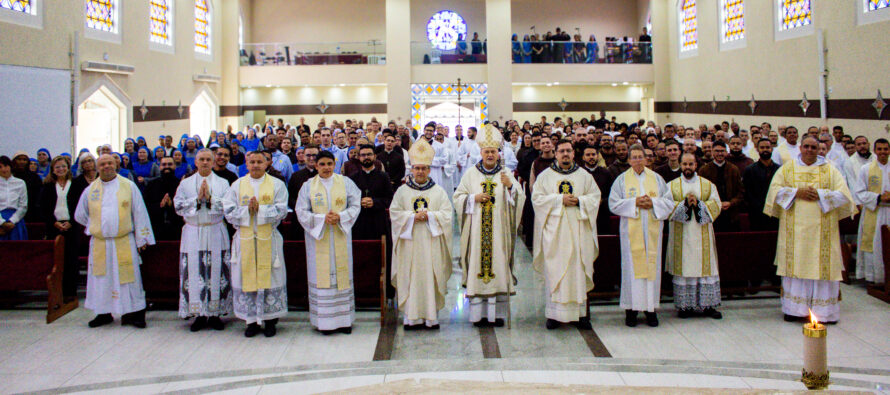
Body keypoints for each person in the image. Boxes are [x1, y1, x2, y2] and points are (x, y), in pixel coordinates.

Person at [764, 136, 856, 324]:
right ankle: (795, 310)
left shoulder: (830, 170)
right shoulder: (788, 169)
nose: (809, 150)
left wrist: (820, 195)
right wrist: (797, 192)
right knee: (796, 266)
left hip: (823, 232)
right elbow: (774, 191)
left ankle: (824, 313)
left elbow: (844, 195)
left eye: (813, 147)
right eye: (806, 146)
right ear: (800, 147)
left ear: (819, 149)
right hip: (794, 233)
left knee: (822, 267)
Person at [453, 125, 524, 327]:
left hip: (499, 231)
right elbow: (457, 197)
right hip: (477, 231)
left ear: (498, 153)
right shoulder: (471, 174)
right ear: (481, 152)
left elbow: (520, 198)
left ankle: (497, 314)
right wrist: (473, 198)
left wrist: (510, 187)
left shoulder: (506, 173)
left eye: (494, 151)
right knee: (478, 264)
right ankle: (478, 315)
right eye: (487, 151)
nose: (490, 155)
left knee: (498, 265)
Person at [74, 154, 155, 328]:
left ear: (116, 164)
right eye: (102, 164)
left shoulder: (128, 186)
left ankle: (135, 313)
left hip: (124, 240)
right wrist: (95, 225)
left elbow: (139, 212)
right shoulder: (90, 190)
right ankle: (103, 313)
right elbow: (80, 214)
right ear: (97, 167)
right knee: (102, 279)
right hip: (100, 243)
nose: (107, 166)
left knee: (129, 279)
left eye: (110, 163)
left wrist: (142, 238)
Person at [532, 139, 600, 329]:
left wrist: (579, 201)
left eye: (568, 151)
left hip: (579, 233)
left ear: (573, 153)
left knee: (577, 270)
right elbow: (537, 199)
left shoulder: (584, 176)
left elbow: (595, 197)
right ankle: (554, 315)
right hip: (556, 235)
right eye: (561, 151)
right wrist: (559, 199)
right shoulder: (545, 176)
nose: (565, 154)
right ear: (555, 153)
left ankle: (581, 314)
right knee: (556, 271)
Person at [223, 151, 289, 337]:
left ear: (267, 163)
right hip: (245, 239)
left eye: (260, 161)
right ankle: (250, 321)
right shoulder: (237, 185)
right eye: (252, 162)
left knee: (270, 277)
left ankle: (270, 320)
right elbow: (228, 210)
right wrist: (247, 211)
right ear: (247, 163)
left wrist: (259, 210)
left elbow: (282, 209)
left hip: (268, 238)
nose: (256, 165)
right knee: (247, 277)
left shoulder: (277, 184)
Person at [389, 138, 454, 330]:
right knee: (410, 276)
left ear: (429, 170)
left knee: (430, 276)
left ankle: (431, 318)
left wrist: (430, 216)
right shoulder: (402, 191)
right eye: (416, 168)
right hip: (409, 245)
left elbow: (447, 214)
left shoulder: (439, 191)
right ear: (411, 169)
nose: (420, 172)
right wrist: (411, 217)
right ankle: (411, 318)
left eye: (423, 168)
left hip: (431, 244)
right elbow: (394, 213)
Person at [295, 150, 361, 334]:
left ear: (335, 164)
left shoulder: (346, 182)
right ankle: (324, 322)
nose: (326, 168)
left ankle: (345, 321)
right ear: (316, 165)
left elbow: (356, 205)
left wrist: (341, 216)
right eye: (322, 164)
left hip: (341, 234)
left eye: (329, 164)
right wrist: (322, 219)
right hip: (318, 239)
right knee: (321, 277)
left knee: (342, 275)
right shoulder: (308, 186)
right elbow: (301, 211)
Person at [609, 145, 672, 327]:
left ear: (646, 159)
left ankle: (650, 310)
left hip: (652, 232)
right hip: (631, 233)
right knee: (631, 271)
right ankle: (631, 311)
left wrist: (653, 202)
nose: (637, 160)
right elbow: (613, 204)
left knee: (652, 269)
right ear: (628, 160)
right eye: (634, 157)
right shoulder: (622, 180)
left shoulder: (657, 179)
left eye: (640, 157)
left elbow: (668, 203)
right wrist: (634, 202)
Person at [174, 149, 232, 331]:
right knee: (194, 272)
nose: (205, 162)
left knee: (216, 271)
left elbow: (229, 206)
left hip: (215, 229)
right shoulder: (186, 183)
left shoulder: (223, 183)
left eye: (208, 159)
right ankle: (198, 314)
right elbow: (178, 206)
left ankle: (215, 314)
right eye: (202, 159)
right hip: (193, 231)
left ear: (213, 162)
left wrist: (211, 198)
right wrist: (198, 200)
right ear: (196, 162)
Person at [664, 153, 723, 319]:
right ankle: (685, 307)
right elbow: (665, 206)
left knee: (705, 268)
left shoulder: (707, 185)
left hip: (702, 234)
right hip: (681, 236)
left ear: (696, 165)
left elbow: (716, 204)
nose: (687, 167)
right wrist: (684, 204)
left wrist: (699, 205)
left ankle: (708, 306)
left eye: (691, 164)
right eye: (684, 164)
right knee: (684, 268)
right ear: (680, 165)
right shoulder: (672, 186)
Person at [38, 156, 79, 298]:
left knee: (71, 261)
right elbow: (43, 208)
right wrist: (53, 222)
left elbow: (80, 206)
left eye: (63, 166)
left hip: (71, 226)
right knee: (56, 261)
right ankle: (57, 293)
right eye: (57, 167)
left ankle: (70, 293)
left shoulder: (75, 185)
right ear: (53, 170)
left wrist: (72, 221)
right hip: (54, 227)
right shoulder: (48, 186)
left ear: (68, 168)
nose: (61, 169)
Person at [853, 138, 890, 284]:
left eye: (885, 149)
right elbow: (859, 193)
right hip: (875, 211)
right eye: (879, 149)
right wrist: (880, 198)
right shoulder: (866, 169)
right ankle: (875, 278)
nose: (882, 152)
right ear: (875, 151)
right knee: (874, 244)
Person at [348, 145, 393, 241]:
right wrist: (359, 202)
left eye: (369, 154)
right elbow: (348, 201)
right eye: (363, 155)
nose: (366, 157)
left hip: (379, 220)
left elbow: (389, 199)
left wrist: (375, 202)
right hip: (359, 221)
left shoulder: (384, 177)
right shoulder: (353, 178)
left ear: (375, 156)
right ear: (359, 157)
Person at [699, 141, 744, 232]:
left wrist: (731, 203)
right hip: (711, 214)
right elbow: (701, 193)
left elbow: (741, 192)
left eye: (722, 151)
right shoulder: (704, 170)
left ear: (726, 152)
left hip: (731, 214)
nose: (720, 153)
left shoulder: (734, 169)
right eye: (717, 151)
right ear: (712, 152)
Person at [743, 139, 781, 231]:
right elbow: (747, 192)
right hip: (756, 213)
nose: (765, 150)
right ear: (757, 149)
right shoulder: (750, 170)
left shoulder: (780, 169)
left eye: (767, 147)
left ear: (772, 149)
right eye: (762, 147)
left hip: (775, 212)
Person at [144, 157, 183, 240]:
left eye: (170, 164)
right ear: (159, 166)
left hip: (176, 229)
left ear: (175, 166)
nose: (167, 167)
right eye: (164, 164)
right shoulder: (151, 185)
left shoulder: (181, 185)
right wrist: (159, 205)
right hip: (156, 228)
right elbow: (145, 206)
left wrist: (172, 205)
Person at [580, 146, 614, 234]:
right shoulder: (579, 173)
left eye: (593, 154)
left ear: (598, 156)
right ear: (583, 157)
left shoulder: (606, 173)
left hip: (602, 213)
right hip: (584, 212)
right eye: (588, 155)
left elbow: (612, 193)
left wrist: (602, 201)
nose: (591, 157)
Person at [0, 156, 28, 240]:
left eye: (6, 166)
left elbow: (23, 206)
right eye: (0, 167)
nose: (4, 169)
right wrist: (2, 223)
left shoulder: (20, 183)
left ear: (10, 166)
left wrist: (12, 221)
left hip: (16, 220)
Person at [10, 151, 41, 222]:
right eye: (19, 159)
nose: (22, 162)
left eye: (24, 160)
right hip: (12, 212)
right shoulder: (10, 177)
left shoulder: (34, 177)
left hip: (31, 213)